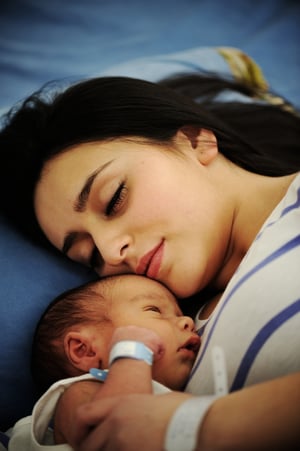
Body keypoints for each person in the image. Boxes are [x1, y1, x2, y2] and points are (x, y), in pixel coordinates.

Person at [1, 72, 300, 449]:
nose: (110, 253)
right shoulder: (171, 336)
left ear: (196, 141)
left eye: (114, 199)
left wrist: (195, 427)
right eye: (89, 255)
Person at [9, 273, 207, 449]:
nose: (187, 321)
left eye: (179, 313)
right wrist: (131, 354)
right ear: (84, 350)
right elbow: (114, 430)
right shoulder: (81, 391)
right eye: (154, 310)